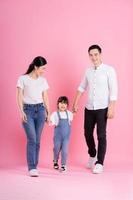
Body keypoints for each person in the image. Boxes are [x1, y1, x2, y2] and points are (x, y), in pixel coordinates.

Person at [72, 45, 118, 174]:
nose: (94, 57)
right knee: (87, 133)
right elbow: (81, 87)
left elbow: (113, 90)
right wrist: (75, 103)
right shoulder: (88, 71)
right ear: (89, 56)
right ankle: (92, 154)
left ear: (100, 54)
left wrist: (112, 107)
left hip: (103, 108)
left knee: (101, 135)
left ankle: (100, 162)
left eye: (96, 54)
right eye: (91, 55)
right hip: (89, 107)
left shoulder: (109, 70)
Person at [16, 56, 50, 177]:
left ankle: (35, 166)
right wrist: (21, 112)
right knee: (32, 139)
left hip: (40, 110)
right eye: (42, 68)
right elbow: (19, 96)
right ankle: (31, 167)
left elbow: (45, 97)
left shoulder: (43, 80)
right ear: (35, 67)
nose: (43, 71)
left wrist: (48, 113)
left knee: (38, 141)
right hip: (28, 111)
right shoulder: (23, 79)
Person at [50, 96, 73, 172]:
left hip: (66, 137)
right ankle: (55, 161)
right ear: (57, 104)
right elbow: (51, 122)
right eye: (61, 103)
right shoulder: (55, 114)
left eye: (65, 103)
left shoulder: (69, 114)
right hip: (57, 137)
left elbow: (70, 121)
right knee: (56, 149)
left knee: (65, 151)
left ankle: (63, 164)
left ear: (67, 105)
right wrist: (48, 120)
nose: (63, 105)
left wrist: (75, 111)